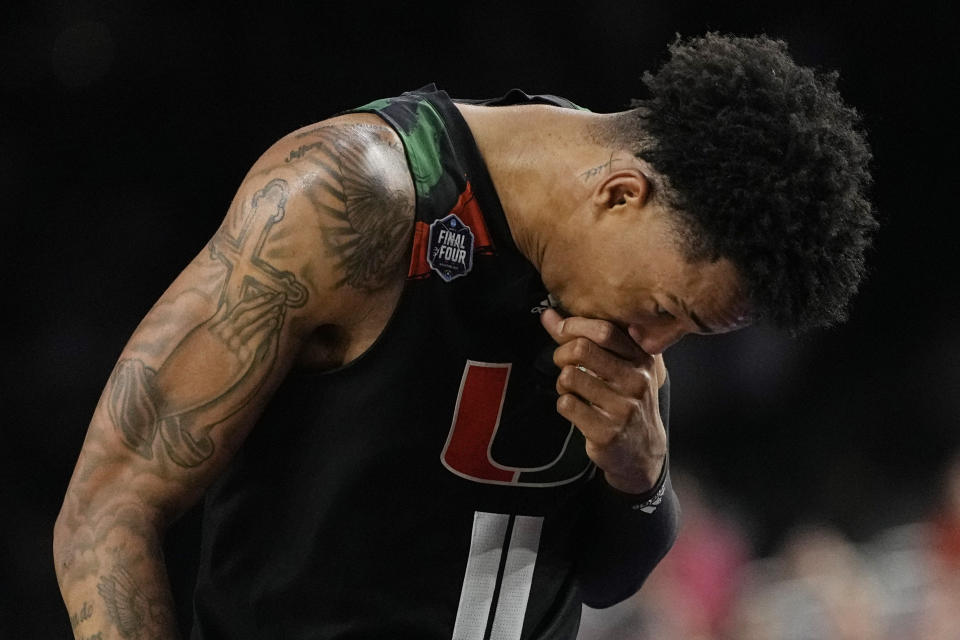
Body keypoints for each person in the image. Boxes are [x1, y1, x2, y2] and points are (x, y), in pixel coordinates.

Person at [53, 33, 876, 639]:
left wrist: (640, 478)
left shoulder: (623, 300)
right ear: (621, 194)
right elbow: (108, 511)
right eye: (670, 310)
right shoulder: (353, 199)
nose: (657, 344)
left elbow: (602, 578)